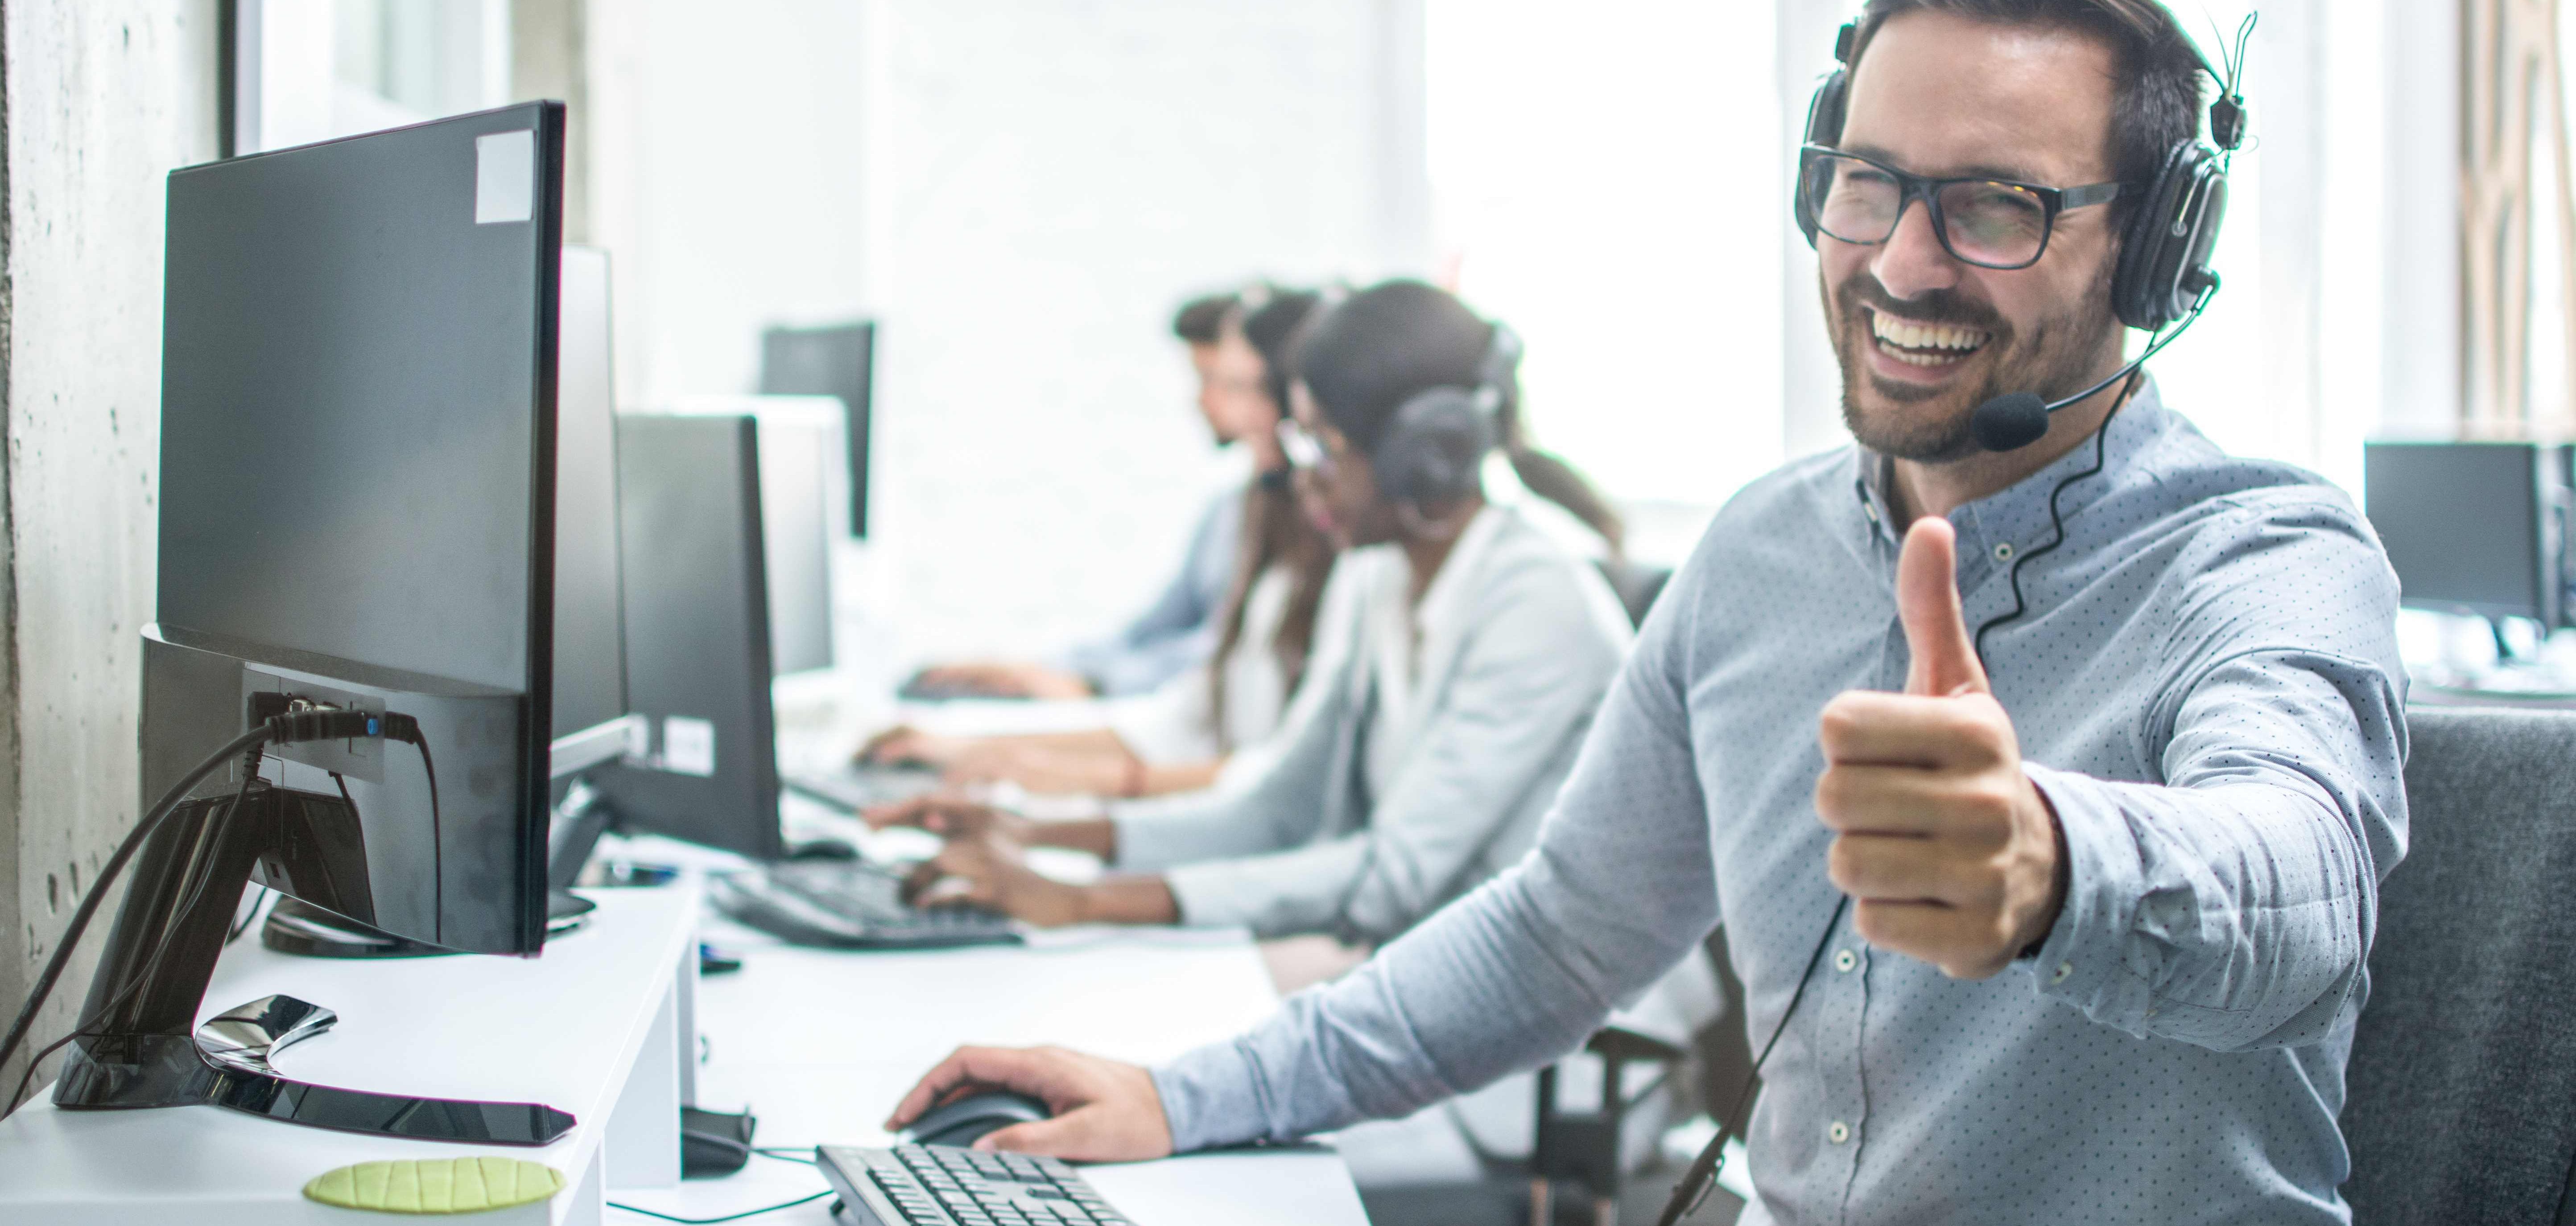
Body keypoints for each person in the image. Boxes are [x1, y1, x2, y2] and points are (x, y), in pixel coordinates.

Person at [882, 5, 2411, 1225]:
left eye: (1994, 207)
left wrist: (2054, 864)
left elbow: (2300, 886)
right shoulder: (1759, 553)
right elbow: (1560, 931)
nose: (1898, 260)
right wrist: (1185, 1095)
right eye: (1867, 182)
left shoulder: (2264, 555)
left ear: (2152, 249)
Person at [868, 281, 1639, 951]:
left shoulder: (1535, 602)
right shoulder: (1376, 574)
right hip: (1425, 960)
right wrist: (1033, 836)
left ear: (1423, 456)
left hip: (1553, 1024)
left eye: (1325, 445)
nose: (1301, 475)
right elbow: (1279, 806)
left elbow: (1391, 877)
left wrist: (1082, 900)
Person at [865, 291, 1338, 797]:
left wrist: (1066, 754)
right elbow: (1180, 709)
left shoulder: (1339, 562)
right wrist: (973, 746)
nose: (1224, 408)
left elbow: (1274, 776)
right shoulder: (1251, 513)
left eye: (1243, 388)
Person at [902, 290, 1258, 701]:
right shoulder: (1229, 510)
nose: (1203, 400)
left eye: (1221, 383)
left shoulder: (1303, 521)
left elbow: (1234, 654)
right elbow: (1149, 632)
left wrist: (1094, 683)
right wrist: (1036, 670)